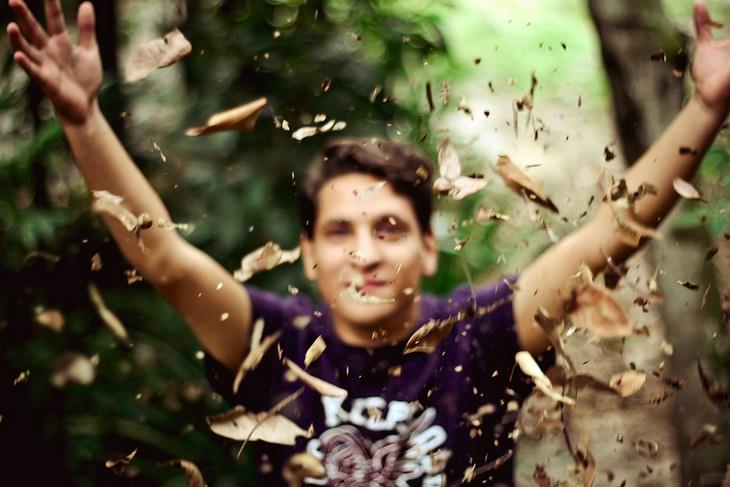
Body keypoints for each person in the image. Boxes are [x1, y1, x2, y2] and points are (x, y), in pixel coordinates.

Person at [7, 0, 729, 485]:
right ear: (309, 252)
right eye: (340, 231)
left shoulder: (477, 337)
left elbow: (612, 233)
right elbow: (161, 257)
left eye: (389, 228)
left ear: (427, 248)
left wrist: (702, 106)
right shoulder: (273, 340)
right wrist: (82, 120)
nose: (365, 251)